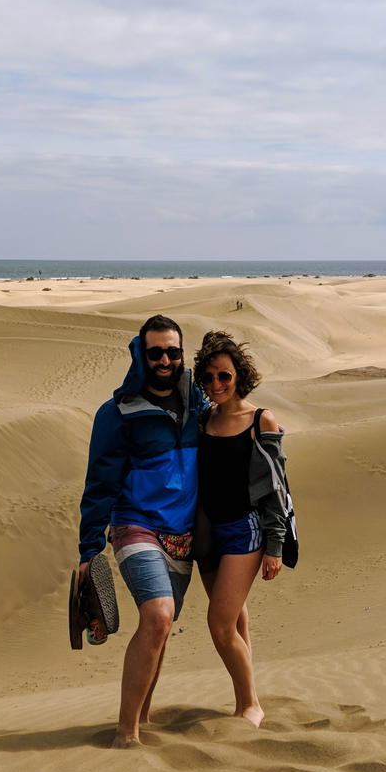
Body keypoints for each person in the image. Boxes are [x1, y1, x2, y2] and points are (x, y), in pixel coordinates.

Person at [78, 315, 205, 747]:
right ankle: (125, 732)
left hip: (184, 534)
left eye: (173, 351)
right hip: (135, 524)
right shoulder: (117, 413)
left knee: (161, 626)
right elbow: (100, 483)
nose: (165, 360)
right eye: (155, 353)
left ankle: (144, 717)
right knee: (158, 614)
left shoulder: (200, 402)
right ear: (141, 354)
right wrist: (88, 549)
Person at [193, 330, 289, 728]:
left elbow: (277, 487)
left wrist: (275, 545)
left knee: (219, 624)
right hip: (206, 532)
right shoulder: (202, 419)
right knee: (235, 619)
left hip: (244, 531)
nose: (216, 384)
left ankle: (251, 705)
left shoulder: (259, 420)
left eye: (225, 376)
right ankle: (244, 699)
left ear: (239, 377)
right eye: (210, 377)